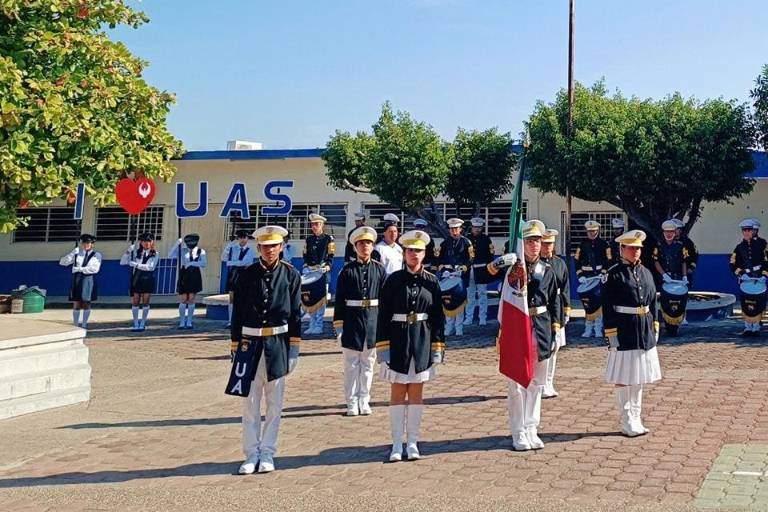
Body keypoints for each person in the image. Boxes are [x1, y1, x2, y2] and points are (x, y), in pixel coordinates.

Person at [228, 225, 302, 475]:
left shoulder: (291, 275)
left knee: (274, 403)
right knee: (249, 403)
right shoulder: (246, 275)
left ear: (281, 247)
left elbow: (295, 315)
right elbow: (237, 313)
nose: (270, 250)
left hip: (277, 345)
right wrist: (234, 344)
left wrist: (294, 347)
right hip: (249, 345)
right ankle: (251, 453)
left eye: (274, 245)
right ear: (258, 247)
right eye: (265, 246)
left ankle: (268, 451)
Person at [376, 229, 445, 462]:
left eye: (418, 251)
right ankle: (396, 443)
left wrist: (437, 348)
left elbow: (437, 318)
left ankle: (413, 441)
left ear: (425, 254)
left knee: (416, 391)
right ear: (404, 253)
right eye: (410, 250)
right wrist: (383, 347)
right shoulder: (393, 280)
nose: (414, 254)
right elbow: (383, 315)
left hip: (422, 341)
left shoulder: (432, 282)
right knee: (397, 391)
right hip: (397, 341)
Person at [499, 220, 560, 451]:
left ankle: (532, 427)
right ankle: (518, 431)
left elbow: (555, 301)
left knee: (536, 383)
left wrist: (555, 330)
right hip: (518, 328)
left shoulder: (548, 269)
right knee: (517, 384)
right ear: (521, 243)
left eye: (537, 241)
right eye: (529, 241)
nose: (534, 245)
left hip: (541, 328)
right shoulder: (513, 269)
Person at [603, 229, 661, 437]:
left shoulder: (645, 272)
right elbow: (608, 307)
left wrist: (654, 325)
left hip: (643, 328)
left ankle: (637, 417)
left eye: (638, 248)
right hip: (624, 329)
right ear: (622, 249)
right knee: (624, 376)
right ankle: (626, 419)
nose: (636, 252)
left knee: (639, 377)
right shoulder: (613, 274)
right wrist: (611, 336)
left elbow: (653, 300)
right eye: (632, 248)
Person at [333, 226, 387, 416]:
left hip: (373, 321)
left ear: (373, 246)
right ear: (355, 247)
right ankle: (351, 401)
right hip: (352, 322)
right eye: (361, 243)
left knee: (368, 364)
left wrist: (384, 326)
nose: (365, 246)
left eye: (369, 243)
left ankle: (364, 399)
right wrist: (339, 327)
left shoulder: (380, 270)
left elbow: (386, 300)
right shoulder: (347, 271)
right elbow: (339, 301)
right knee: (351, 365)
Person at [540, 229, 569, 399]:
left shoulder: (559, 263)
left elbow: (565, 288)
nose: (547, 247)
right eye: (544, 243)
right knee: (544, 347)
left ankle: (549, 382)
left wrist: (566, 310)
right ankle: (541, 383)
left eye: (550, 243)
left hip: (557, 307)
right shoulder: (536, 264)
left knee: (555, 347)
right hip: (544, 308)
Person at [730, 219, 768, 336]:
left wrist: (764, 275)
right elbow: (732, 263)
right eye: (744, 231)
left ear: (753, 231)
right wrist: (741, 274)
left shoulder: (762, 245)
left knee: (758, 302)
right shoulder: (739, 247)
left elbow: (767, 261)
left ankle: (756, 327)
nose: (746, 232)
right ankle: (747, 327)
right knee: (746, 302)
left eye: (749, 230)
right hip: (746, 278)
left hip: (758, 277)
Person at [437, 218, 473, 336]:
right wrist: (442, 268)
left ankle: (459, 328)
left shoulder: (466, 242)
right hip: (447, 276)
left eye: (456, 228)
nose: (454, 231)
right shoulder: (444, 243)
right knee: (447, 301)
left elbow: (471, 258)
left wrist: (464, 267)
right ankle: (449, 327)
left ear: (460, 229)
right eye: (452, 229)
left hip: (461, 276)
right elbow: (439, 259)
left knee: (460, 301)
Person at [575, 220, 610, 337]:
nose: (591, 233)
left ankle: (598, 328)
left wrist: (604, 272)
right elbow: (576, 260)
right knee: (588, 304)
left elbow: (609, 259)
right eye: (589, 231)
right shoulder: (582, 244)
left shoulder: (604, 244)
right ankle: (588, 328)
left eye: (593, 231)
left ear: (598, 231)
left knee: (598, 304)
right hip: (586, 277)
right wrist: (580, 275)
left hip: (599, 277)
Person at [59, 234, 102, 329]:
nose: (86, 245)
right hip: (77, 279)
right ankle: (75, 324)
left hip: (88, 279)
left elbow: (94, 269)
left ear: (92, 244)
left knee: (86, 302)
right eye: (84, 243)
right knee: (76, 302)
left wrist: (79, 269)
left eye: (88, 243)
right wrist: (72, 253)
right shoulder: (77, 254)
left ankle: (84, 324)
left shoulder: (97, 255)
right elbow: (63, 262)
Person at [302, 213, 335, 335]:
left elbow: (331, 255)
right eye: (312, 224)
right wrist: (306, 265)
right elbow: (305, 254)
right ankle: (312, 323)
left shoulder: (328, 239)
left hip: (322, 272)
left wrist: (327, 266)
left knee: (321, 300)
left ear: (322, 225)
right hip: (310, 272)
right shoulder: (309, 239)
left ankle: (319, 325)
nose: (314, 227)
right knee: (311, 299)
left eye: (316, 224)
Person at [653, 220, 688, 336]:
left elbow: (684, 262)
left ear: (675, 232)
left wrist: (684, 276)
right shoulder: (659, 245)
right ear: (663, 233)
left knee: (678, 302)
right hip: (665, 279)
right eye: (666, 232)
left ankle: (676, 325)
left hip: (677, 278)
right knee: (665, 303)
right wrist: (663, 274)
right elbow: (656, 262)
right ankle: (667, 325)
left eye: (671, 232)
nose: (669, 234)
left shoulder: (681, 246)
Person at [120, 232, 158, 332]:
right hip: (136, 278)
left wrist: (136, 265)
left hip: (147, 279)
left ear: (152, 242)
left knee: (146, 302)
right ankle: (136, 323)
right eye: (144, 241)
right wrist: (129, 251)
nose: (146, 243)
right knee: (135, 301)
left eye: (149, 241)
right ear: (141, 242)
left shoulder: (154, 254)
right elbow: (123, 261)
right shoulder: (135, 253)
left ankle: (143, 323)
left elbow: (150, 267)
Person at [168, 234, 207, 330]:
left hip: (194, 274)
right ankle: (182, 322)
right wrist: (177, 244)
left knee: (191, 299)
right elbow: (170, 255)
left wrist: (192, 263)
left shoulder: (200, 251)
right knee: (183, 299)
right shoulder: (182, 251)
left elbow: (204, 263)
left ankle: (189, 321)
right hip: (184, 274)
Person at [221, 230, 256, 328]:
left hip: (244, 275)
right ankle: (231, 321)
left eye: (244, 237)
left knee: (243, 298)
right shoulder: (232, 249)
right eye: (240, 237)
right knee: (232, 298)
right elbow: (223, 258)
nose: (242, 239)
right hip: (233, 275)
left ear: (247, 239)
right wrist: (228, 246)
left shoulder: (250, 251)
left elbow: (246, 262)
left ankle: (242, 320)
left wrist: (231, 262)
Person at [464, 217, 494, 326]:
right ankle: (468, 318)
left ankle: (482, 318)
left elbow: (490, 256)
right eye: (475, 227)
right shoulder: (466, 239)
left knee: (482, 294)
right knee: (470, 295)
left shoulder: (486, 239)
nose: (477, 229)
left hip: (481, 269)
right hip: (469, 269)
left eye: (479, 228)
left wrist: (488, 269)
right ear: (472, 227)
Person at [672, 218, 699, 287]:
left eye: (676, 229)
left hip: (685, 273)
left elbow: (695, 255)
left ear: (680, 230)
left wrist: (691, 268)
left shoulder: (687, 242)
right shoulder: (667, 241)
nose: (673, 231)